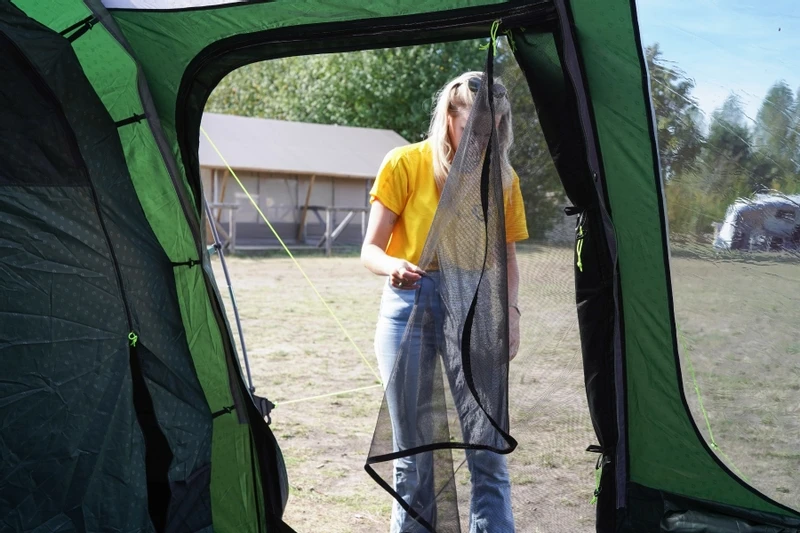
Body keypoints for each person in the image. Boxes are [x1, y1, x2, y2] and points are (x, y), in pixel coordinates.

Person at [361, 71, 528, 533]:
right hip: (408, 308)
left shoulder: (503, 179)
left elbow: (507, 258)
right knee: (412, 454)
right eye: (473, 128)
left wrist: (512, 313)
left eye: (491, 131)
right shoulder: (404, 163)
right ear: (448, 117)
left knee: (487, 449)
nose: (482, 140)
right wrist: (392, 265)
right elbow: (369, 250)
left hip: (474, 308)